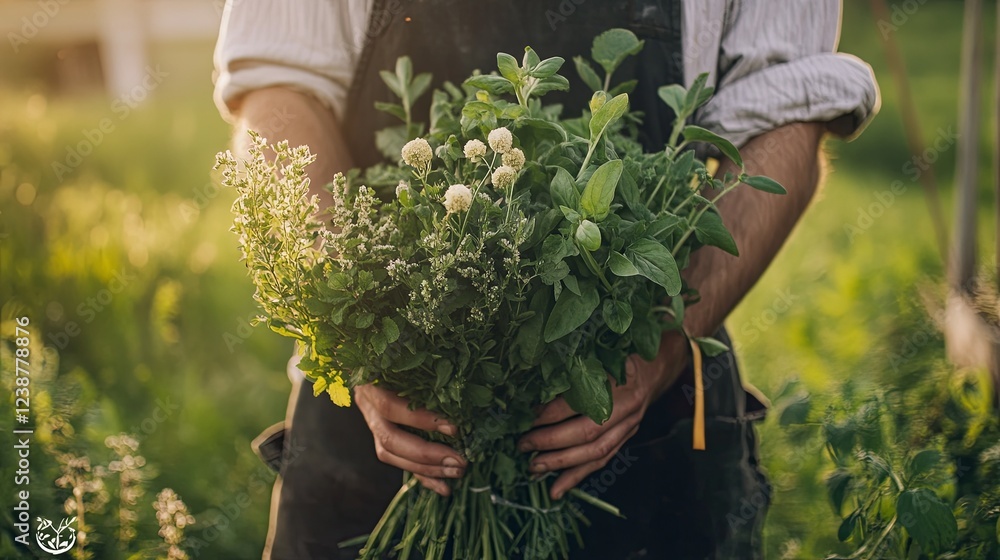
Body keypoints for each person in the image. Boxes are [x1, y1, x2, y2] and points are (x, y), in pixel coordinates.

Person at [213, 1, 879, 558]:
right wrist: (358, 329)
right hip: (381, 428)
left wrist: (664, 343)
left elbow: (790, 110)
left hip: (644, 426)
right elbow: (279, 91)